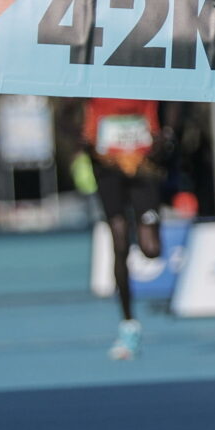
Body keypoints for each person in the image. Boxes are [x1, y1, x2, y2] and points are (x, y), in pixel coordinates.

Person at [80, 98, 169, 360]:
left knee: (151, 249)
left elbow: (175, 99)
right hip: (106, 164)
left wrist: (167, 135)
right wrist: (83, 142)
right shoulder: (93, 79)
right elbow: (67, 106)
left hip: (143, 163)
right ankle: (129, 324)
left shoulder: (145, 76)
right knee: (118, 240)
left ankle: (150, 225)